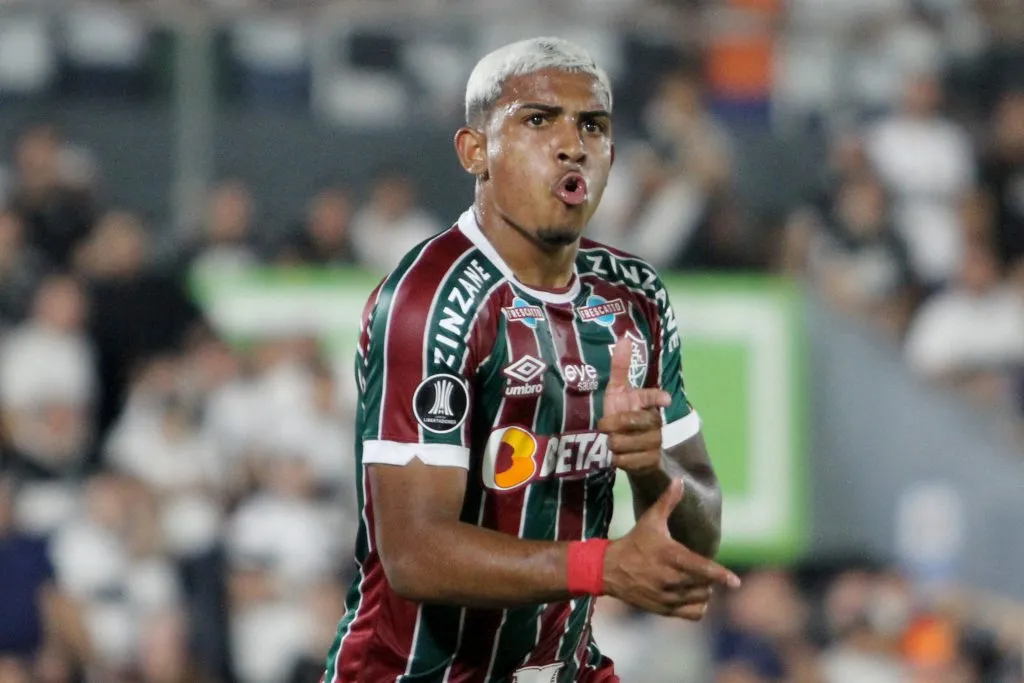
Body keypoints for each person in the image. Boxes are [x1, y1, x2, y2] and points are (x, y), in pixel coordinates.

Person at [321, 37, 740, 683]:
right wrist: (599, 566)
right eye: (539, 119)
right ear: (475, 151)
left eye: (593, 126)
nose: (572, 144)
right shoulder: (430, 300)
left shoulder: (634, 296)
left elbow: (697, 537)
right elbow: (412, 553)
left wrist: (650, 462)